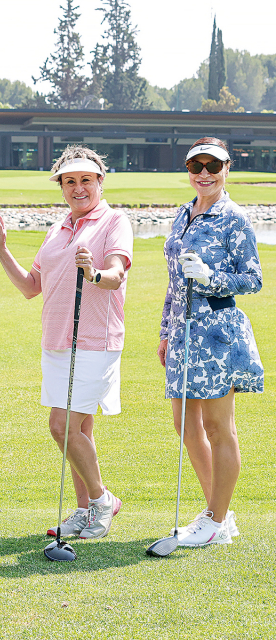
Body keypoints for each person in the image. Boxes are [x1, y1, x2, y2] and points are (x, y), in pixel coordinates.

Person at [0, 145, 133, 540]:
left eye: (86, 179)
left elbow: (116, 274)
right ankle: (84, 509)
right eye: (69, 181)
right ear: (61, 186)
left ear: (100, 182)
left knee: (62, 426)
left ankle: (102, 500)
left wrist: (94, 273)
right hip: (56, 342)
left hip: (94, 340)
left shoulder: (114, 221)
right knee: (79, 431)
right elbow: (30, 286)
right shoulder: (57, 229)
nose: (78, 188)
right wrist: (1, 248)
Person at [158, 137, 263, 547]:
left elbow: (252, 279)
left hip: (217, 332)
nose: (204, 174)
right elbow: (174, 283)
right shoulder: (183, 214)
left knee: (219, 427)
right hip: (182, 331)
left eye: (213, 166)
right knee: (186, 425)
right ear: (188, 170)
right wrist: (165, 332)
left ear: (226, 169)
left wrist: (209, 277)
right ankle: (218, 514)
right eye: (196, 166)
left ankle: (215, 520)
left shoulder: (234, 218)